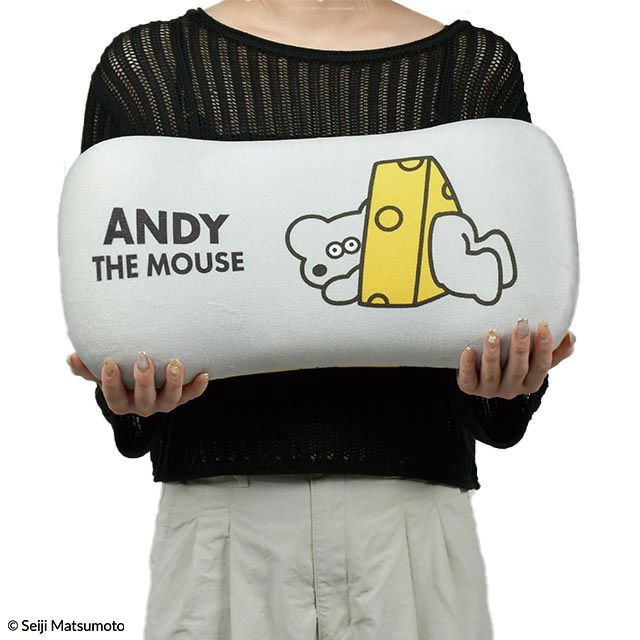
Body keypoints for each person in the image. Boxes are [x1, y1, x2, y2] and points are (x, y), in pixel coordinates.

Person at [67, 1, 576, 638]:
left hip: (410, 522)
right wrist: (134, 397)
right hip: (222, 525)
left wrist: (509, 386)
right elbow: (130, 307)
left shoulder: (475, 67)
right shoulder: (151, 68)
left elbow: (496, 399)